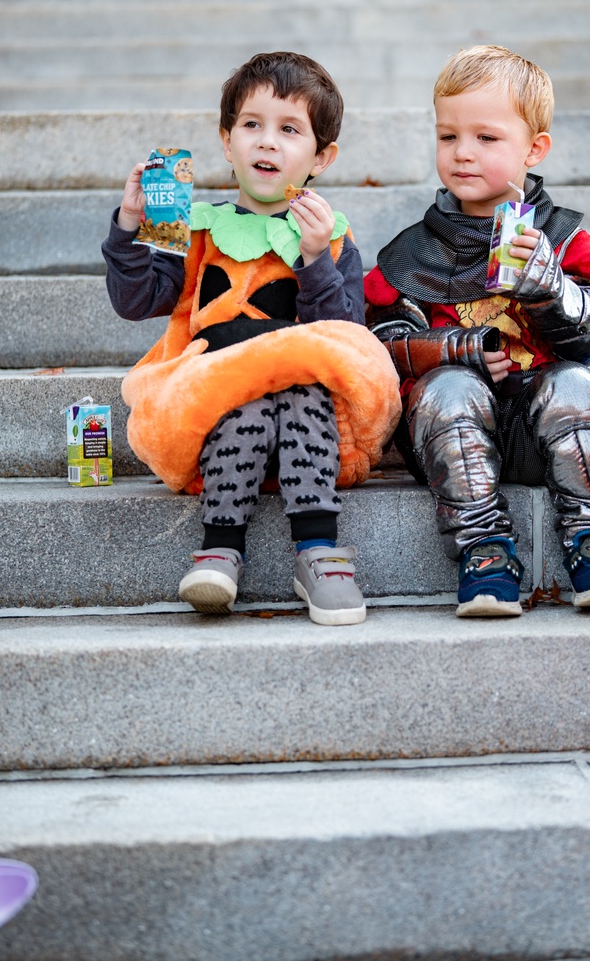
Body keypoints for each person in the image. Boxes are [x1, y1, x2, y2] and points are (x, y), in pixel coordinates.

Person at [103, 51, 399, 626]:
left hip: (309, 412)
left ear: (321, 157)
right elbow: (137, 301)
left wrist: (314, 260)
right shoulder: (197, 229)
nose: (268, 143)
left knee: (300, 390)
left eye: (290, 130)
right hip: (220, 402)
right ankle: (221, 548)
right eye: (252, 125)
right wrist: (129, 228)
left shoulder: (330, 238)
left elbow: (346, 337)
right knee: (244, 403)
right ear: (226, 140)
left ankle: (318, 551)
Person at [364, 45, 590, 615]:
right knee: (449, 387)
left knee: (576, 387)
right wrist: (453, 350)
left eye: (486, 138)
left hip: (544, 429)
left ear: (533, 148)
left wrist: (550, 286)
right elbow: (374, 343)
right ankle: (484, 550)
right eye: (448, 136)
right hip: (450, 433)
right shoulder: (410, 252)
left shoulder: (561, 239)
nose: (463, 153)